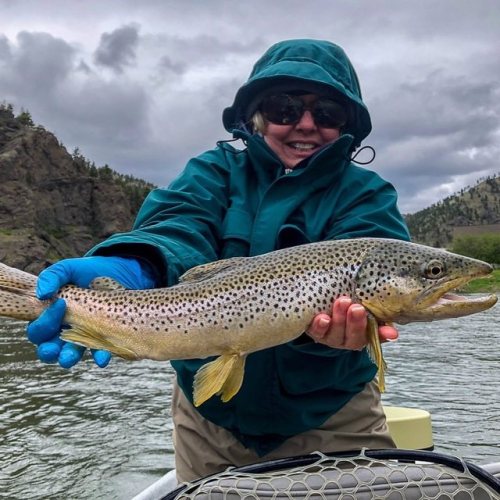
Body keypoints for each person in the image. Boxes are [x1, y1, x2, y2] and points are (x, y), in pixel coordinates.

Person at [26, 39, 410, 482]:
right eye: (284, 107)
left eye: (327, 113)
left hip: (332, 412)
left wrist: (329, 332)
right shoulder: (213, 171)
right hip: (207, 421)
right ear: (256, 115)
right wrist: (134, 265)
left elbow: (375, 254)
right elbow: (178, 224)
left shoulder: (366, 193)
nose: (305, 124)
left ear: (347, 125)